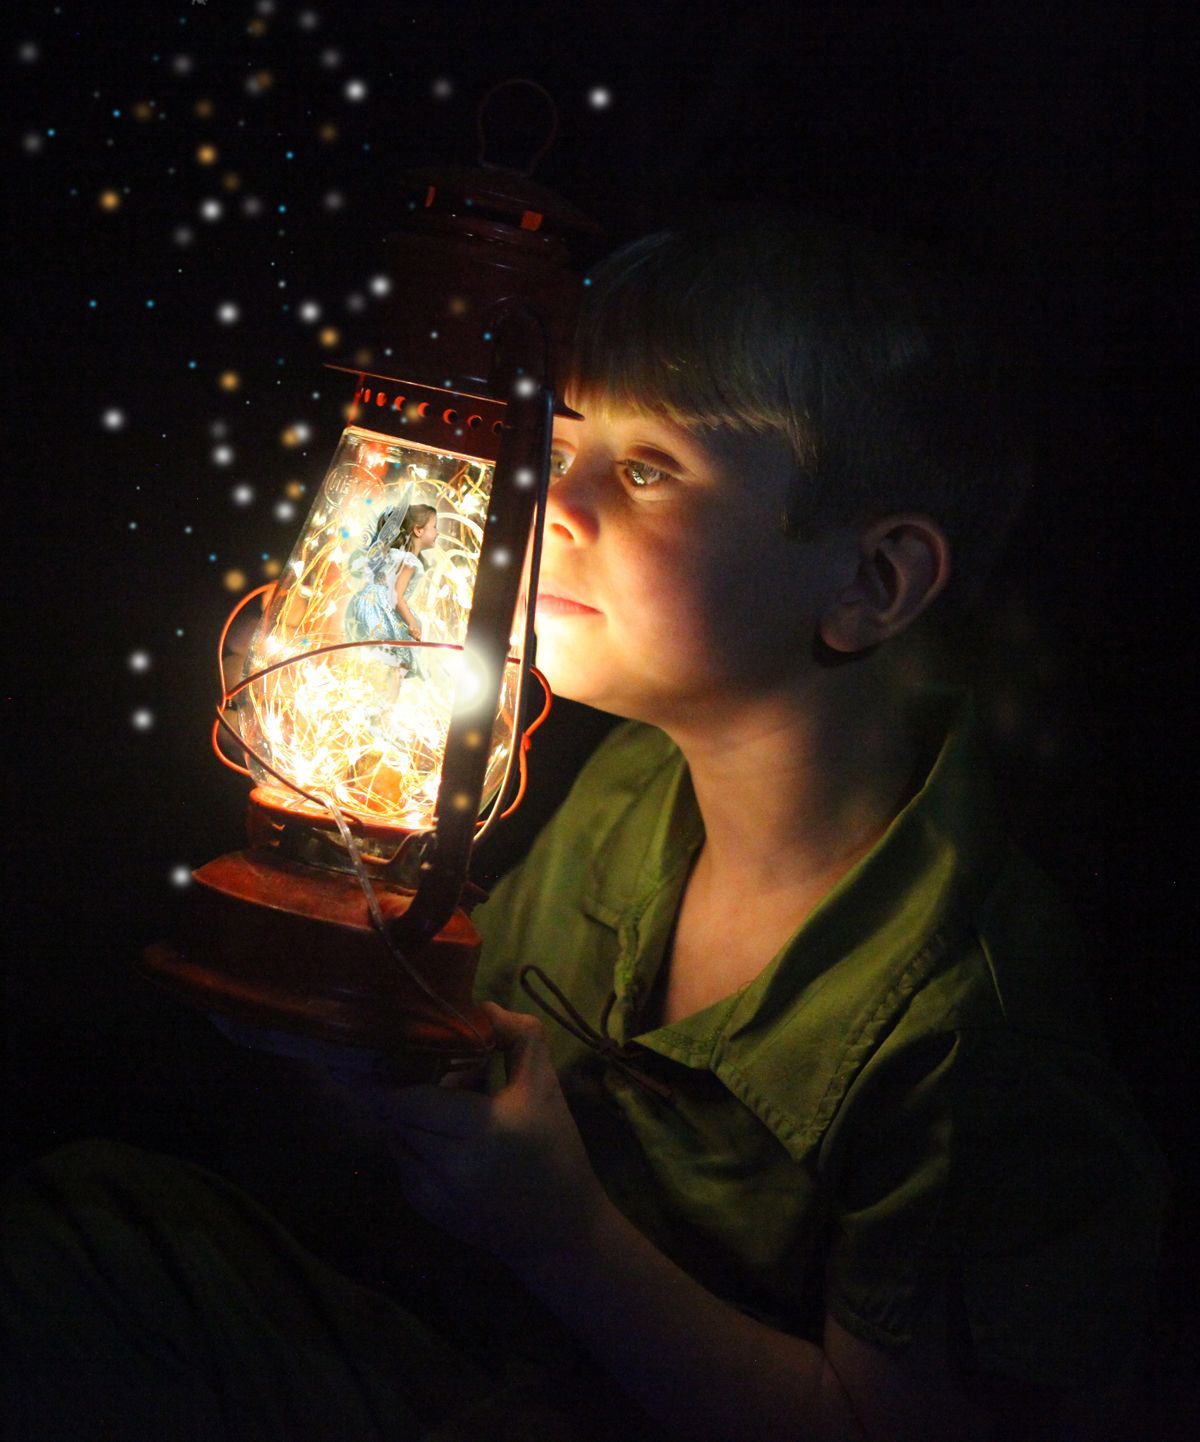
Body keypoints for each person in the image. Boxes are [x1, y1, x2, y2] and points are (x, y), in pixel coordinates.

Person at [0, 214, 1167, 1441]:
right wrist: (341, 1007)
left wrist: (560, 1230)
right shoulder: (627, 792)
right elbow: (452, 1091)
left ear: (870, 583)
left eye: (648, 468)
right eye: (556, 449)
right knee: (88, 1231)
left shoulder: (971, 1035)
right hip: (485, 1371)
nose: (546, 502)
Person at [345, 503, 439, 677]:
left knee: (382, 661)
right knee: (401, 659)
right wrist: (412, 623)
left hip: (365, 604)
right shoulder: (409, 561)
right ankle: (388, 697)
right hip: (380, 609)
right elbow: (395, 595)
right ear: (418, 530)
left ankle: (376, 690)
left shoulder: (393, 554)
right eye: (434, 527)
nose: (437, 532)